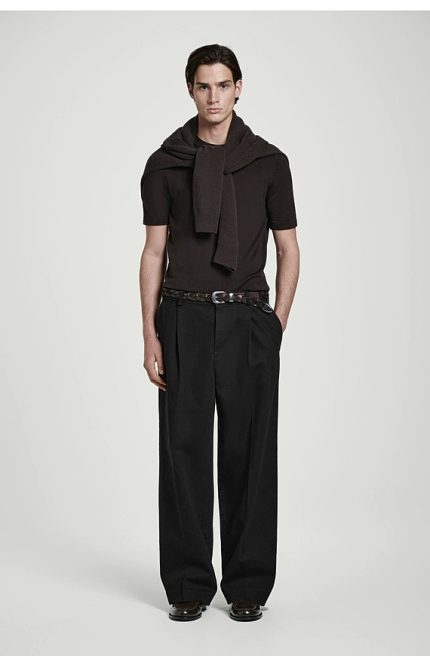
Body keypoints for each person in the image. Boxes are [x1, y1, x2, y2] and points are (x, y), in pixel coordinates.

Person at [139, 44, 300, 622]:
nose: (214, 97)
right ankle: (187, 584)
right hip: (182, 316)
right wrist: (150, 334)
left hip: (246, 319)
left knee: (248, 452)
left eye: (223, 85)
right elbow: (153, 251)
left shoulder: (269, 163)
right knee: (183, 451)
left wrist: (275, 322)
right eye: (204, 86)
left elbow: (288, 249)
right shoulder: (164, 164)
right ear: (191, 90)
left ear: (239, 88)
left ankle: (247, 586)